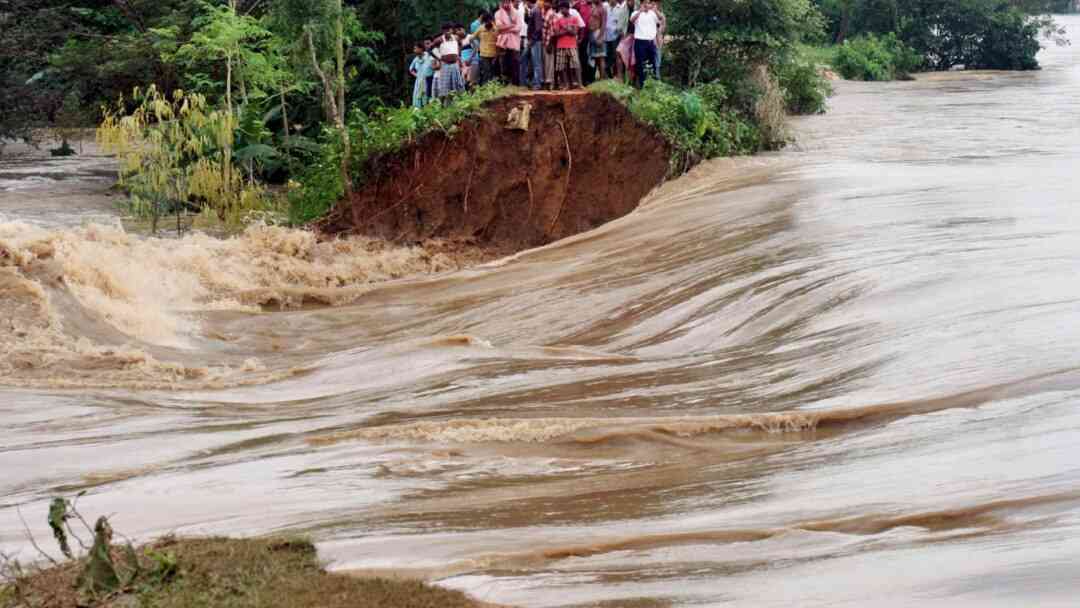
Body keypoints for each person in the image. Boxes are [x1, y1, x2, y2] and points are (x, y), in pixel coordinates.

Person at [429, 23, 466, 99]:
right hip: (445, 65)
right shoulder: (439, 39)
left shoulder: (456, 38)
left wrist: (457, 53)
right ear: (443, 31)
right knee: (445, 87)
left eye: (449, 30)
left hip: (455, 64)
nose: (448, 32)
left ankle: (459, 101)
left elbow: (460, 44)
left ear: (452, 30)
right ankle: (444, 104)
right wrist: (439, 57)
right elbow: (430, 49)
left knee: (457, 84)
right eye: (446, 31)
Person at [629, 0, 662, 87]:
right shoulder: (636, 13)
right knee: (640, 64)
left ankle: (652, 84)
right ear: (641, 3)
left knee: (652, 63)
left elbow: (661, 19)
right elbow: (631, 20)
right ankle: (641, 85)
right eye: (645, 3)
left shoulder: (653, 13)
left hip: (651, 42)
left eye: (649, 3)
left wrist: (655, 10)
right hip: (640, 42)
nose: (647, 5)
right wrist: (640, 11)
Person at [554, 1, 582, 90]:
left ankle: (579, 84)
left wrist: (564, 29)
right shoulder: (558, 20)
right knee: (562, 67)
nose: (561, 10)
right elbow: (556, 33)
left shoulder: (574, 18)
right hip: (561, 45)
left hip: (572, 45)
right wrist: (567, 29)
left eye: (563, 8)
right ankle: (566, 85)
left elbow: (574, 32)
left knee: (576, 64)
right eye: (560, 9)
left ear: (567, 8)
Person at [494, 0, 522, 85]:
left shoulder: (516, 13)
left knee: (515, 64)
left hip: (514, 43)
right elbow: (499, 27)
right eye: (503, 2)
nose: (505, 4)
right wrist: (511, 25)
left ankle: (515, 84)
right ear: (501, 3)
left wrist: (505, 28)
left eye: (507, 1)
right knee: (503, 64)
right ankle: (505, 84)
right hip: (502, 43)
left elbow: (518, 28)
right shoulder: (497, 13)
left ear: (510, 2)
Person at [524, 0, 545, 90]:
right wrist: (526, 14)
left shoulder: (536, 11)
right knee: (531, 61)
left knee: (536, 62)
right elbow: (529, 23)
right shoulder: (533, 10)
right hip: (533, 40)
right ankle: (533, 81)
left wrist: (532, 40)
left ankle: (537, 84)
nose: (525, 4)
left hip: (535, 41)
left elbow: (538, 28)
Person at [604, 0, 628, 78]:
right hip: (605, 36)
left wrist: (621, 33)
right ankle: (608, 75)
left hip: (615, 36)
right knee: (606, 56)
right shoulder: (605, 7)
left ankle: (617, 75)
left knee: (615, 56)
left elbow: (622, 23)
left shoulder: (620, 9)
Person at [573, 0, 593, 85]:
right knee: (582, 57)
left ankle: (589, 79)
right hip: (581, 36)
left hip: (590, 35)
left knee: (589, 57)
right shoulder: (579, 4)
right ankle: (582, 79)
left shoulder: (594, 5)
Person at [475, 13, 499, 85]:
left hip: (494, 54)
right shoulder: (481, 28)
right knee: (486, 72)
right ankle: (486, 88)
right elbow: (471, 38)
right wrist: (477, 46)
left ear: (492, 20)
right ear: (484, 22)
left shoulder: (496, 28)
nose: (488, 22)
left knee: (494, 72)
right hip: (484, 54)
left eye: (490, 20)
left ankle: (494, 88)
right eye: (486, 21)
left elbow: (499, 41)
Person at [587, 0, 608, 81]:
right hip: (592, 33)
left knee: (601, 57)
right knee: (595, 57)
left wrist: (600, 37)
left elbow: (604, 24)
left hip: (598, 33)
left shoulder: (603, 9)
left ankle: (602, 78)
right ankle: (597, 77)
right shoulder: (594, 7)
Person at [409, 43, 427, 108]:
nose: (414, 50)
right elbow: (411, 69)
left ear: (421, 49)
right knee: (417, 96)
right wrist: (417, 75)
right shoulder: (416, 59)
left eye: (415, 48)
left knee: (425, 95)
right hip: (419, 80)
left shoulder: (427, 56)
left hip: (427, 79)